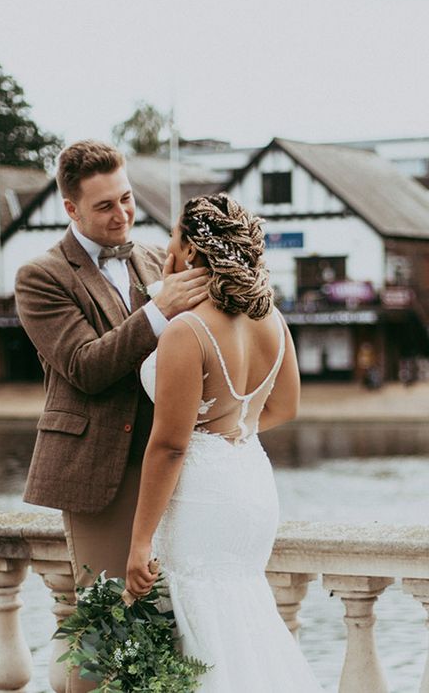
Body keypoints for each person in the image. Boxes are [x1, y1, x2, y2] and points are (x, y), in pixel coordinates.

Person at [14, 140, 208, 693]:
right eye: (104, 206)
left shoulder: (154, 258)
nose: (121, 215)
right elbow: (85, 366)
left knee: (166, 631)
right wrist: (158, 309)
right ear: (71, 209)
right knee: (105, 635)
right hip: (95, 470)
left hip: (169, 468)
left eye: (126, 199)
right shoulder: (41, 277)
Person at [126, 193, 323, 692]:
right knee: (238, 616)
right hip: (250, 484)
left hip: (201, 498)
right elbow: (284, 408)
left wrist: (140, 542)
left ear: (190, 249)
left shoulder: (186, 331)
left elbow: (169, 445)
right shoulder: (272, 320)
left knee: (202, 627)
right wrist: (233, 431)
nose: (166, 245)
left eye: (173, 235)